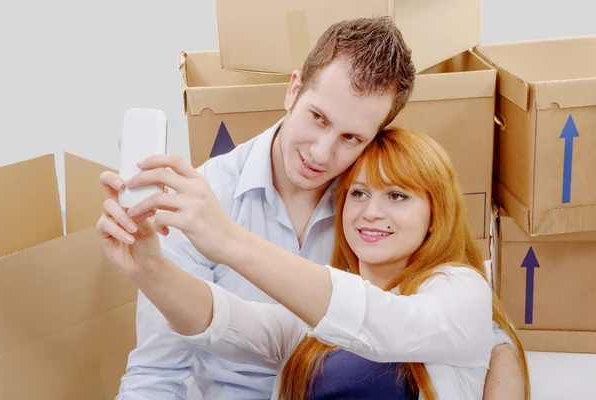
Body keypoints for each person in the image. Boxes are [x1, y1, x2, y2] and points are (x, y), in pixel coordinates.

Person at [99, 16, 525, 400]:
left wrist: (229, 242)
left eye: (352, 138)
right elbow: (222, 335)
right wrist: (151, 269)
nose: (322, 153)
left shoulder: (372, 191)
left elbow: (445, 326)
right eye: (318, 117)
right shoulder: (199, 199)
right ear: (293, 89)